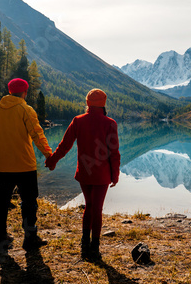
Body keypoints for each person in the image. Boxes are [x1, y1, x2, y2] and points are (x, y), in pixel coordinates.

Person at [45, 88, 120, 260]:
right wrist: (115, 175)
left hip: (84, 173)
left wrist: (52, 161)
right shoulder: (110, 123)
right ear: (103, 104)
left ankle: (84, 243)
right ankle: (95, 247)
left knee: (89, 206)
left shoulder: (78, 121)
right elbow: (114, 152)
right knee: (97, 208)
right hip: (102, 175)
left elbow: (65, 145)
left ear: (87, 103)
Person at [0, 78, 53, 253]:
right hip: (25, 166)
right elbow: (37, 135)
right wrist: (48, 154)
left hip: (4, 166)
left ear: (9, 91)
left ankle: (1, 237)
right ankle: (30, 239)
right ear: (25, 92)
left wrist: (5, 149)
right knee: (29, 202)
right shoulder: (26, 109)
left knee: (2, 202)